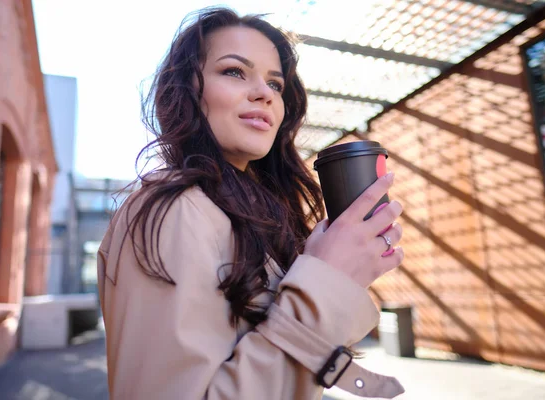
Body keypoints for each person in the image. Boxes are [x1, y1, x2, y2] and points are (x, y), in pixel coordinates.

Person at [98, 7, 405, 399]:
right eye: (234, 72)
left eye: (276, 85)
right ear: (188, 91)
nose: (264, 93)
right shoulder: (173, 211)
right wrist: (328, 281)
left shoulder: (243, 212)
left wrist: (329, 267)